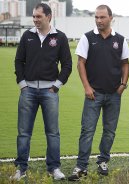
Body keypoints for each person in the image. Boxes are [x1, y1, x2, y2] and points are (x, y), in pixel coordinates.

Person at [68, 5, 129, 181]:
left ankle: (103, 161)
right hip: (93, 94)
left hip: (114, 94)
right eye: (96, 17)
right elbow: (80, 63)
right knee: (87, 130)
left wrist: (123, 84)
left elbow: (125, 63)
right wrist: (87, 87)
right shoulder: (87, 37)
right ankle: (81, 166)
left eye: (102, 17)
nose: (99, 20)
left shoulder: (120, 39)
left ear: (111, 18)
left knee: (109, 131)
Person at [12, 3, 72, 181]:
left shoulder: (60, 37)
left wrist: (57, 86)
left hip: (50, 92)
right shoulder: (27, 36)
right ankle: (21, 168)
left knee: (52, 132)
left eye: (39, 16)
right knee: (24, 132)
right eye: (34, 16)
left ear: (48, 17)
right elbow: (18, 61)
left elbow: (67, 65)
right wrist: (23, 84)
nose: (35, 20)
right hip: (28, 91)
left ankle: (54, 168)